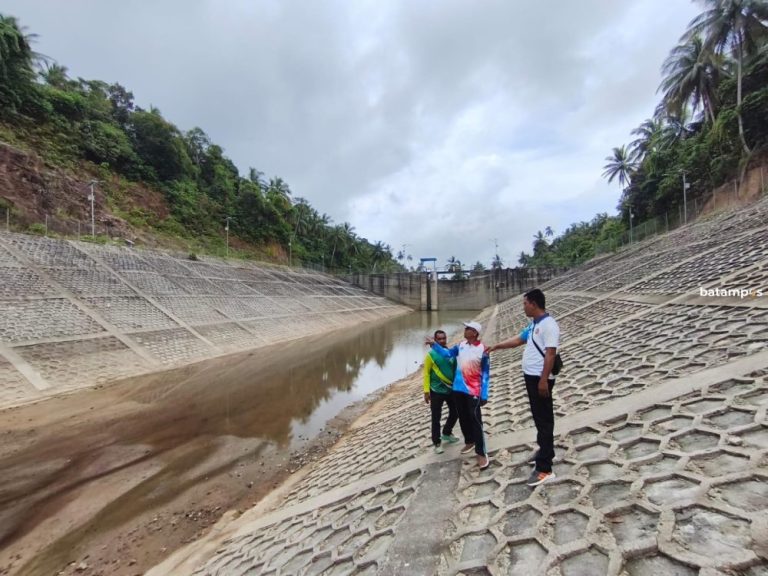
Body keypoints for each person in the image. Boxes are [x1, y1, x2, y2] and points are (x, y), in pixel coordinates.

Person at [486, 288, 560, 486]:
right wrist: (496, 346)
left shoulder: (548, 325)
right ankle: (545, 450)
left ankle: (545, 469)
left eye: (525, 303)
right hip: (532, 377)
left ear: (534, 304)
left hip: (540, 379)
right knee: (539, 418)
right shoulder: (534, 325)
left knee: (544, 420)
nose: (523, 307)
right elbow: (518, 340)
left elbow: (551, 354)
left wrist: (544, 380)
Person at [427, 321, 491, 469]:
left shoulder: (483, 350)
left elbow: (486, 374)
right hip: (458, 389)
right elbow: (447, 353)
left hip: (473, 391)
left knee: (476, 420)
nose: (465, 329)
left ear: (474, 333)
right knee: (463, 418)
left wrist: (484, 394)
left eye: (468, 328)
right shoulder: (460, 346)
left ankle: (481, 453)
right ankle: (469, 441)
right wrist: (434, 345)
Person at [423, 329, 459, 454]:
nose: (442, 341)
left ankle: (447, 432)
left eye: (444, 338)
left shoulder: (450, 353)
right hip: (436, 390)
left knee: (456, 412)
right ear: (435, 340)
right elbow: (426, 374)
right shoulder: (430, 355)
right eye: (439, 339)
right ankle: (437, 442)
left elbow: (455, 370)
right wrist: (426, 391)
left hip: (450, 389)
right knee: (436, 417)